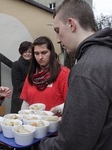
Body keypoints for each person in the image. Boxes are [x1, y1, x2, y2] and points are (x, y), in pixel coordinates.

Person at [39, 0, 112, 150]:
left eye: (58, 30)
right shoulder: (107, 54)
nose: (58, 40)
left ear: (71, 24)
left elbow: (71, 146)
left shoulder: (86, 69)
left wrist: (37, 144)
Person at [20, 36, 70, 113]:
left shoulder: (63, 73)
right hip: (33, 123)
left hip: (56, 122)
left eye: (44, 52)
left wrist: (58, 109)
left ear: (51, 53)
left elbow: (72, 102)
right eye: (36, 53)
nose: (40, 57)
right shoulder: (31, 75)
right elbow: (26, 102)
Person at [11, 41, 32, 113]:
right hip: (19, 99)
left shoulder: (33, 65)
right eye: (25, 51)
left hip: (31, 98)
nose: (28, 54)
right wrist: (32, 80)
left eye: (30, 52)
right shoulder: (16, 65)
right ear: (21, 52)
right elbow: (17, 85)